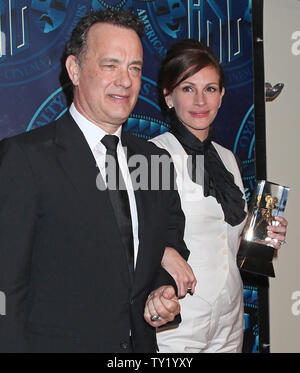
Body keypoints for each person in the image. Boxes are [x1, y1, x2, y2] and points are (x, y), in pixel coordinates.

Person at [0, 9, 193, 353]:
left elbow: (167, 239)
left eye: (134, 67)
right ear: (74, 70)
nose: (125, 80)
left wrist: (160, 292)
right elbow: (7, 288)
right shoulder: (25, 159)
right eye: (110, 65)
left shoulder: (154, 160)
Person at [150, 39, 288, 353]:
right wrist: (160, 250)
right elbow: (128, 232)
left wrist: (265, 236)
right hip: (178, 318)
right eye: (188, 88)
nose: (201, 100)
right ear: (168, 96)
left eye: (210, 89)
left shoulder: (228, 160)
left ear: (222, 95)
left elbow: (229, 244)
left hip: (230, 317)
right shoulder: (154, 155)